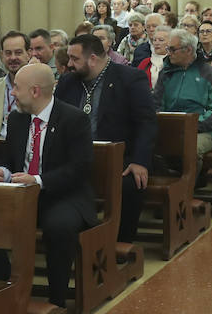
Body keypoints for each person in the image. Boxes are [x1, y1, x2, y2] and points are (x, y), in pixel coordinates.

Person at [0, 63, 96, 306]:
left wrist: (38, 180)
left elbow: (79, 168)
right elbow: (9, 158)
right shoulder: (17, 119)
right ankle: (0, 290)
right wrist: (2, 171)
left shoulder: (74, 119)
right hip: (21, 195)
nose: (12, 93)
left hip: (62, 195)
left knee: (59, 227)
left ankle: (56, 301)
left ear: (35, 91)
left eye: (17, 88)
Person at [57, 34, 157, 244]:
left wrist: (140, 161)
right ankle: (73, 239)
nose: (69, 64)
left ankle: (121, 243)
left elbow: (146, 122)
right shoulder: (68, 82)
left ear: (92, 58)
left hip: (119, 158)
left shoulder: (129, 78)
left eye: (75, 59)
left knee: (131, 184)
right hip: (75, 157)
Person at [152, 29, 212, 184]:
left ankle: (186, 189)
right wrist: (165, 124)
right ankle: (165, 187)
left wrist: (192, 126)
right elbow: (156, 105)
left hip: (200, 131)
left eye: (172, 49)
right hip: (168, 128)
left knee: (189, 147)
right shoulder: (166, 73)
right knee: (145, 144)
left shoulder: (209, 74)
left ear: (188, 50)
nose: (168, 53)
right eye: (168, 49)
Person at [0, 31, 30, 137]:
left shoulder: (37, 87)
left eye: (18, 52)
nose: (13, 57)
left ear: (28, 54)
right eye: (8, 53)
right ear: (2, 55)